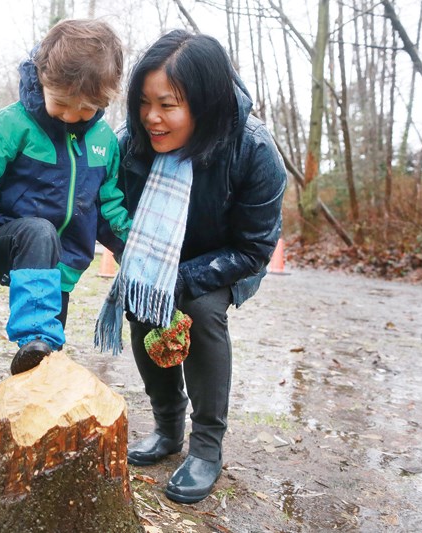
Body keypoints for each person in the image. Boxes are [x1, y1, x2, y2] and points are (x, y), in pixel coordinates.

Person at [95, 31, 286, 504]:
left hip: (223, 258)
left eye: (168, 105)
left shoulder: (254, 151)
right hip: (154, 251)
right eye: (144, 103)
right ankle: (166, 427)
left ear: (205, 103)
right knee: (143, 304)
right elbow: (102, 208)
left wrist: (180, 279)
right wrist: (141, 261)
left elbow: (253, 248)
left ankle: (205, 447)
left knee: (199, 311)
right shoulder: (130, 144)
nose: (152, 118)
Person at [0, 19, 131, 375]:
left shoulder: (104, 141)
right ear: (42, 76)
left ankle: (37, 373)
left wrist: (134, 248)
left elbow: (108, 206)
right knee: (40, 235)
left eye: (85, 109)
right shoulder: (13, 125)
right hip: (7, 244)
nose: (72, 117)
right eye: (62, 103)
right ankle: (35, 337)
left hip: (62, 265)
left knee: (46, 351)